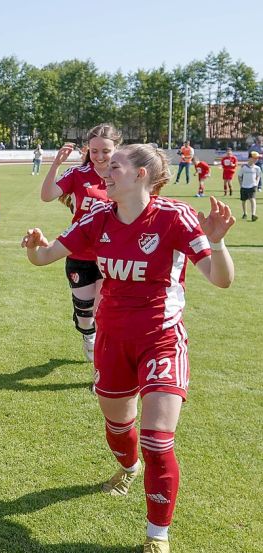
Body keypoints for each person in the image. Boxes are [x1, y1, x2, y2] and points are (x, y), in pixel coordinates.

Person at [23, 143, 235, 553]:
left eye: (115, 164)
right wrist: (35, 246)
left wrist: (218, 243)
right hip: (112, 340)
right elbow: (46, 256)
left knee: (158, 438)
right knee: (120, 428)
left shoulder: (174, 217)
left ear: (141, 174)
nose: (105, 168)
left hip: (162, 339)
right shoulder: (97, 216)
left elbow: (220, 279)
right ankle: (127, 466)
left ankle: (157, 536)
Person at [39, 124, 120, 361]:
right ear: (87, 150)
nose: (99, 157)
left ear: (116, 148)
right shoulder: (78, 175)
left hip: (112, 256)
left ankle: (102, 369)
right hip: (79, 254)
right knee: (86, 315)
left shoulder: (123, 175)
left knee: (104, 312)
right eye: (94, 151)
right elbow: (47, 196)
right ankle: (87, 334)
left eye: (105, 151)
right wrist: (56, 163)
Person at [238, 152, 260, 221]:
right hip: (244, 186)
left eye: (257, 158)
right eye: (254, 158)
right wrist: (241, 184)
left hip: (252, 186)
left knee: (252, 199)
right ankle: (245, 213)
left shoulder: (257, 168)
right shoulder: (244, 167)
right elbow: (239, 176)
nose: (256, 160)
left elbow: (258, 176)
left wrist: (256, 183)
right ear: (250, 158)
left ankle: (253, 214)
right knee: (243, 200)